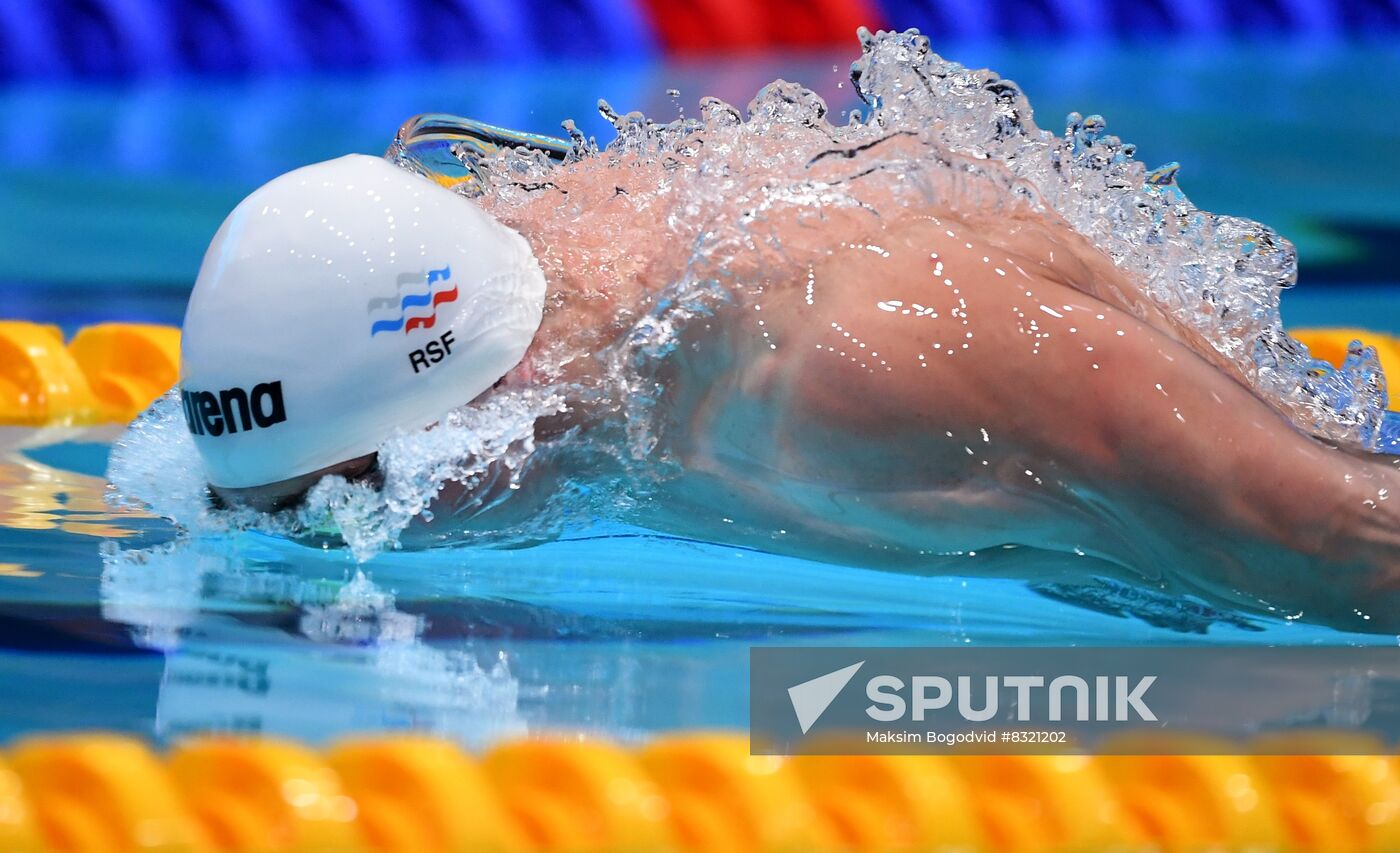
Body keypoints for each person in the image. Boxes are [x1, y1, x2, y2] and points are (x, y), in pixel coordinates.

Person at [180, 136, 1400, 632]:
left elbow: (1340, 538)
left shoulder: (856, 363)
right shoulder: (553, 265)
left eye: (355, 496)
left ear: (487, 400)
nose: (360, 538)